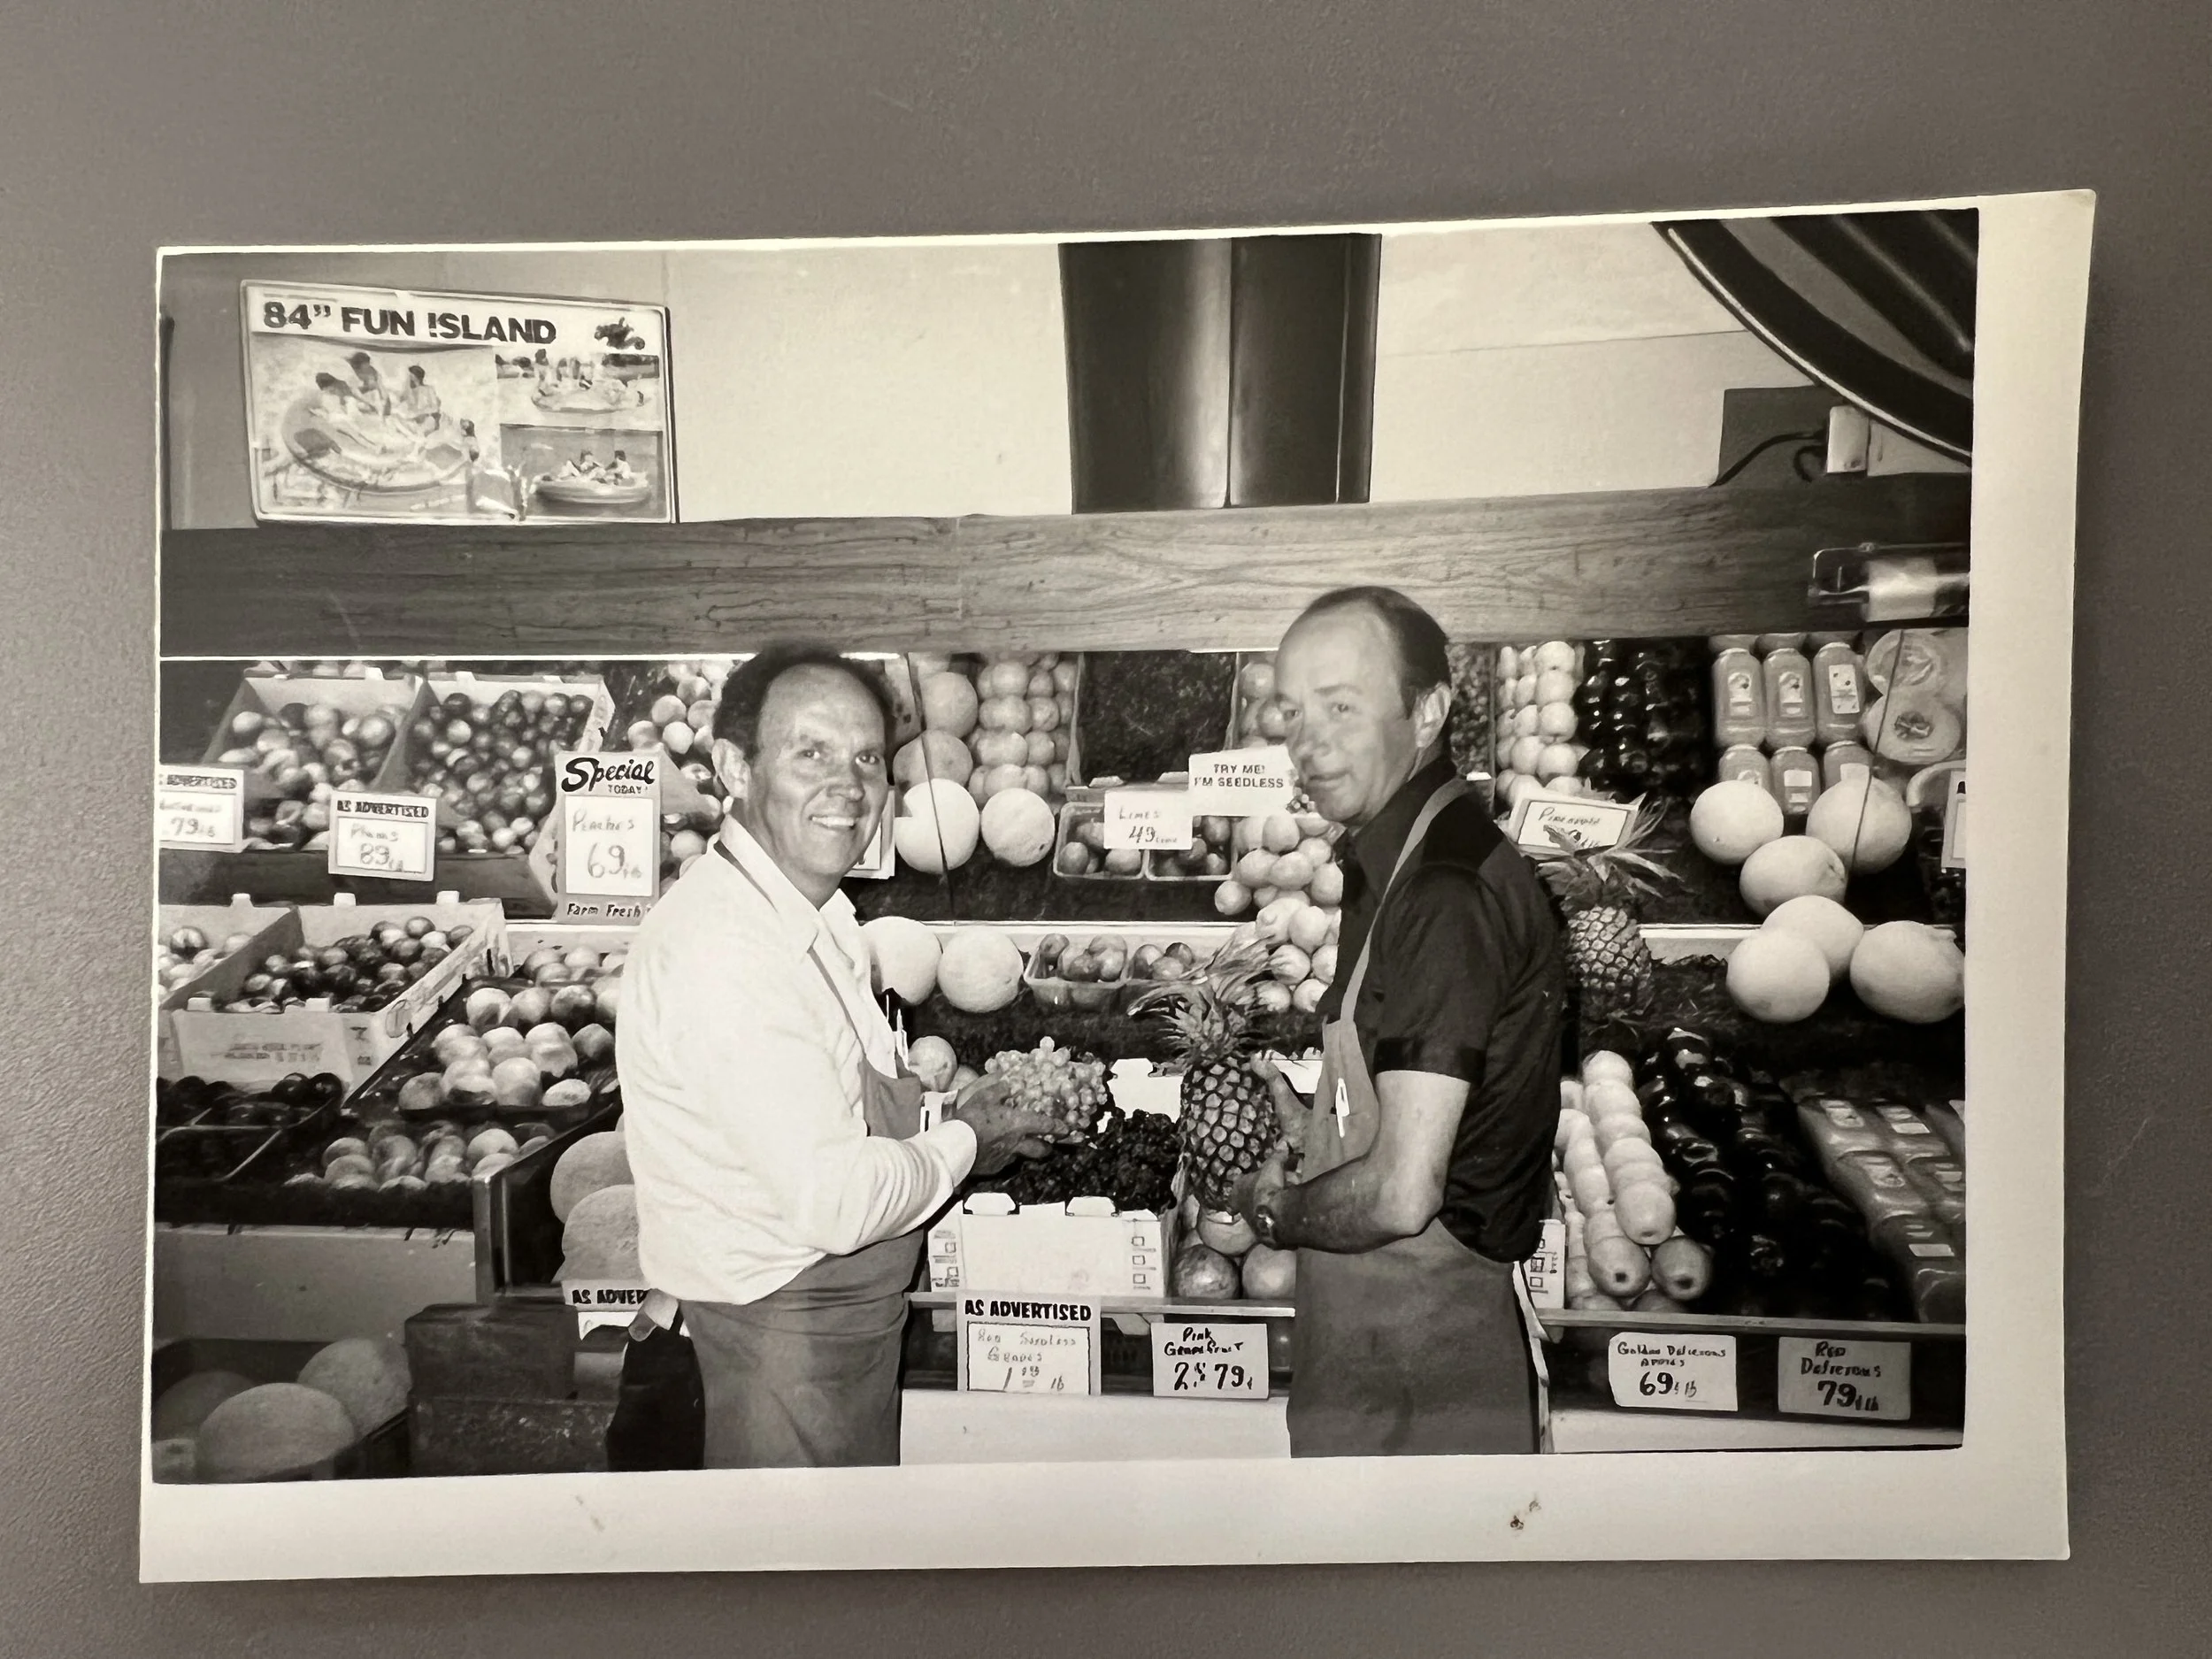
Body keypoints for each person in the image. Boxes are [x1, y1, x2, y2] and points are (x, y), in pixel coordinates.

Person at [617, 647, 1064, 1468]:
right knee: (794, 1591)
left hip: (829, 1340)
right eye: (810, 751)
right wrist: (964, 1142)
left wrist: (945, 1125)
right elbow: (834, 1202)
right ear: (732, 767)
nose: (849, 786)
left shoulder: (814, 916)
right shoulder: (727, 952)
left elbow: (836, 1111)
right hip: (775, 1348)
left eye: (865, 757)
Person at [1230, 586, 1568, 1457]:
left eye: (1341, 707)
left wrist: (1279, 1213)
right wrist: (1321, 1130)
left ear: (1427, 712)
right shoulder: (1399, 859)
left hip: (1424, 1365)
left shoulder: (1445, 893)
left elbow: (1401, 1191)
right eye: (1292, 712)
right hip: (1381, 1345)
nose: (1309, 740)